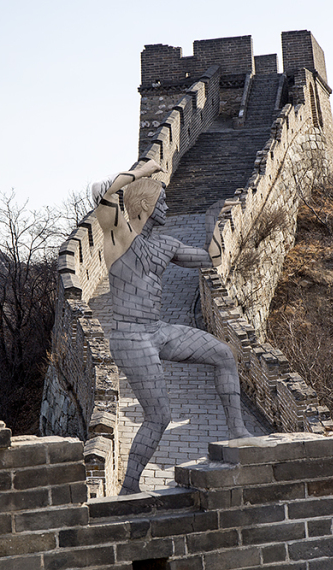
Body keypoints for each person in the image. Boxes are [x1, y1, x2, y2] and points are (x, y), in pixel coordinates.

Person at [91, 159, 253, 495]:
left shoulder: (165, 246)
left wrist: (213, 226)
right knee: (159, 414)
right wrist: (144, 170)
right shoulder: (119, 237)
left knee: (223, 355)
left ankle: (238, 432)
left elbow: (211, 261)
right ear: (146, 206)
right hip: (129, 335)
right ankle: (130, 486)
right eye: (161, 201)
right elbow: (106, 195)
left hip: (157, 329)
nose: (167, 206)